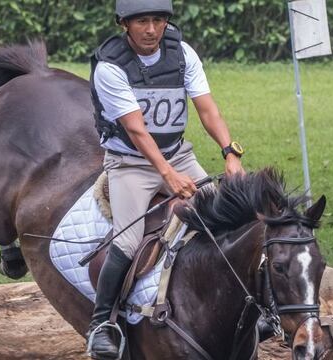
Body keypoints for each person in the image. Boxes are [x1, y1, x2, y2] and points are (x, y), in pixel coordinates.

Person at [87, 0, 245, 358]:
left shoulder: (182, 53)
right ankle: (101, 324)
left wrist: (230, 152)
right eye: (142, 21)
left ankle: (250, 308)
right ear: (124, 24)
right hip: (130, 164)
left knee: (231, 219)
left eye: (158, 20)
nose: (151, 29)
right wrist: (168, 175)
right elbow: (137, 131)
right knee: (127, 242)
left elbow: (207, 108)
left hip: (179, 154)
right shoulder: (110, 67)